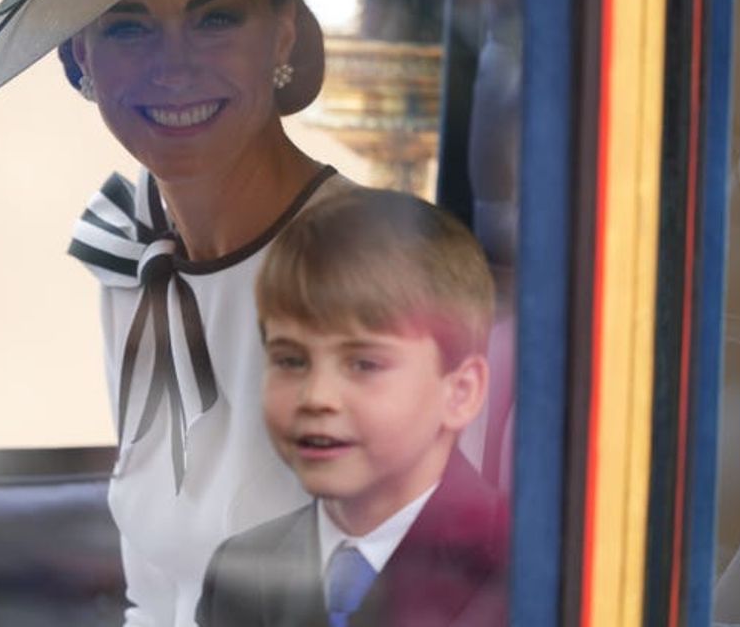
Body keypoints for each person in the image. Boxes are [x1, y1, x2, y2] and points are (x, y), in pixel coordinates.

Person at [0, 0, 351, 625]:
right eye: (129, 27)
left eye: (217, 18)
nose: (173, 67)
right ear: (83, 57)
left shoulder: (367, 270)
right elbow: (155, 589)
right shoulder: (132, 256)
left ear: (283, 31)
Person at [196, 188, 509, 627]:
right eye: (290, 360)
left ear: (460, 393)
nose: (317, 397)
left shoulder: (526, 567)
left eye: (365, 364)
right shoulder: (241, 570)